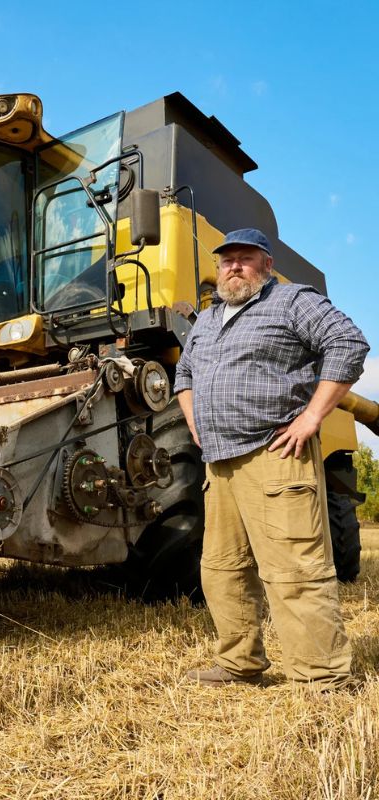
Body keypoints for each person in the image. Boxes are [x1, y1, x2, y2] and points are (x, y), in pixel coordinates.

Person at [174, 228, 369, 689]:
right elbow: (184, 373)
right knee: (222, 569)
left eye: (245, 259)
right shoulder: (207, 319)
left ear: (266, 264)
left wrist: (311, 419)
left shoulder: (291, 301)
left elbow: (349, 344)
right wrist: (194, 421)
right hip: (218, 464)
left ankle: (323, 677)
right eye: (227, 261)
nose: (233, 267)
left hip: (275, 452)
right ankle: (240, 663)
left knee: (295, 569)